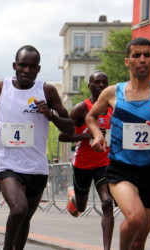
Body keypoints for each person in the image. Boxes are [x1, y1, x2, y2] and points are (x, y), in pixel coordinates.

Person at [86, 37, 150, 250]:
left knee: (139, 241)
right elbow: (91, 116)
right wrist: (97, 134)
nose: (142, 59)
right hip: (121, 170)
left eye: (147, 55)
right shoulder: (113, 92)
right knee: (135, 217)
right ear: (128, 61)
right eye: (136, 55)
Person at [0, 45, 75, 250]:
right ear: (14, 66)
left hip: (37, 167)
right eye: (22, 65)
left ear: (38, 68)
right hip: (8, 164)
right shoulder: (2, 87)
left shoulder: (47, 91)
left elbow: (70, 127)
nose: (27, 70)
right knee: (18, 209)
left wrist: (51, 115)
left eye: (32, 66)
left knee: (25, 218)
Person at [59, 71, 114, 250]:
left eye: (104, 83)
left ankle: (107, 248)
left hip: (104, 163)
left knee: (107, 203)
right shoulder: (82, 108)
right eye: (97, 82)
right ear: (90, 86)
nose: (101, 86)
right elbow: (62, 136)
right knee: (81, 208)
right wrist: (87, 135)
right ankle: (73, 197)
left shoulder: (114, 107)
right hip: (83, 164)